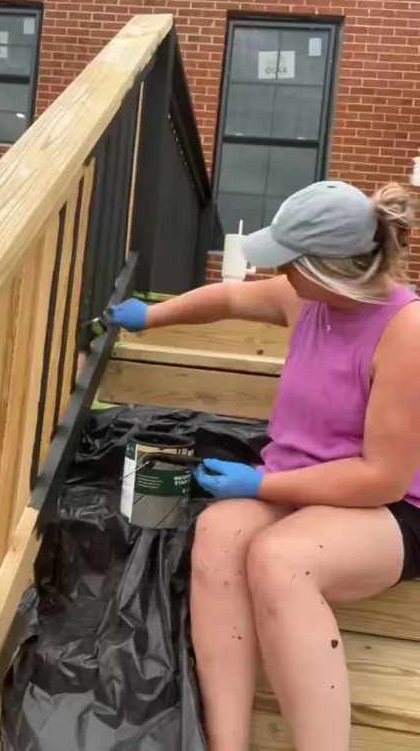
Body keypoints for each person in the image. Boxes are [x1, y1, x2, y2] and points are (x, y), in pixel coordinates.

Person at [108, 180, 420, 751]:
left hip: (391, 510)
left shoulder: (406, 333)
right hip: (302, 489)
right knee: (218, 532)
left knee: (281, 558)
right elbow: (227, 300)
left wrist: (262, 483)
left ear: (327, 268)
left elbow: (383, 477)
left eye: (287, 261)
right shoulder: (302, 298)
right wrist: (150, 317)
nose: (275, 272)